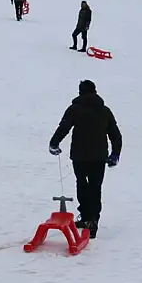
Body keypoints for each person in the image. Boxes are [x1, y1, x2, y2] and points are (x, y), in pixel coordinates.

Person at [49, 80, 122, 238]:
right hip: (99, 156)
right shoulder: (105, 111)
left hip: (79, 156)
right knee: (96, 187)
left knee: (82, 184)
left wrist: (54, 143)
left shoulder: (74, 109)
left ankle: (85, 216)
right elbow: (116, 135)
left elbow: (64, 127)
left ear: (80, 92)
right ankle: (92, 220)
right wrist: (115, 154)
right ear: (95, 91)